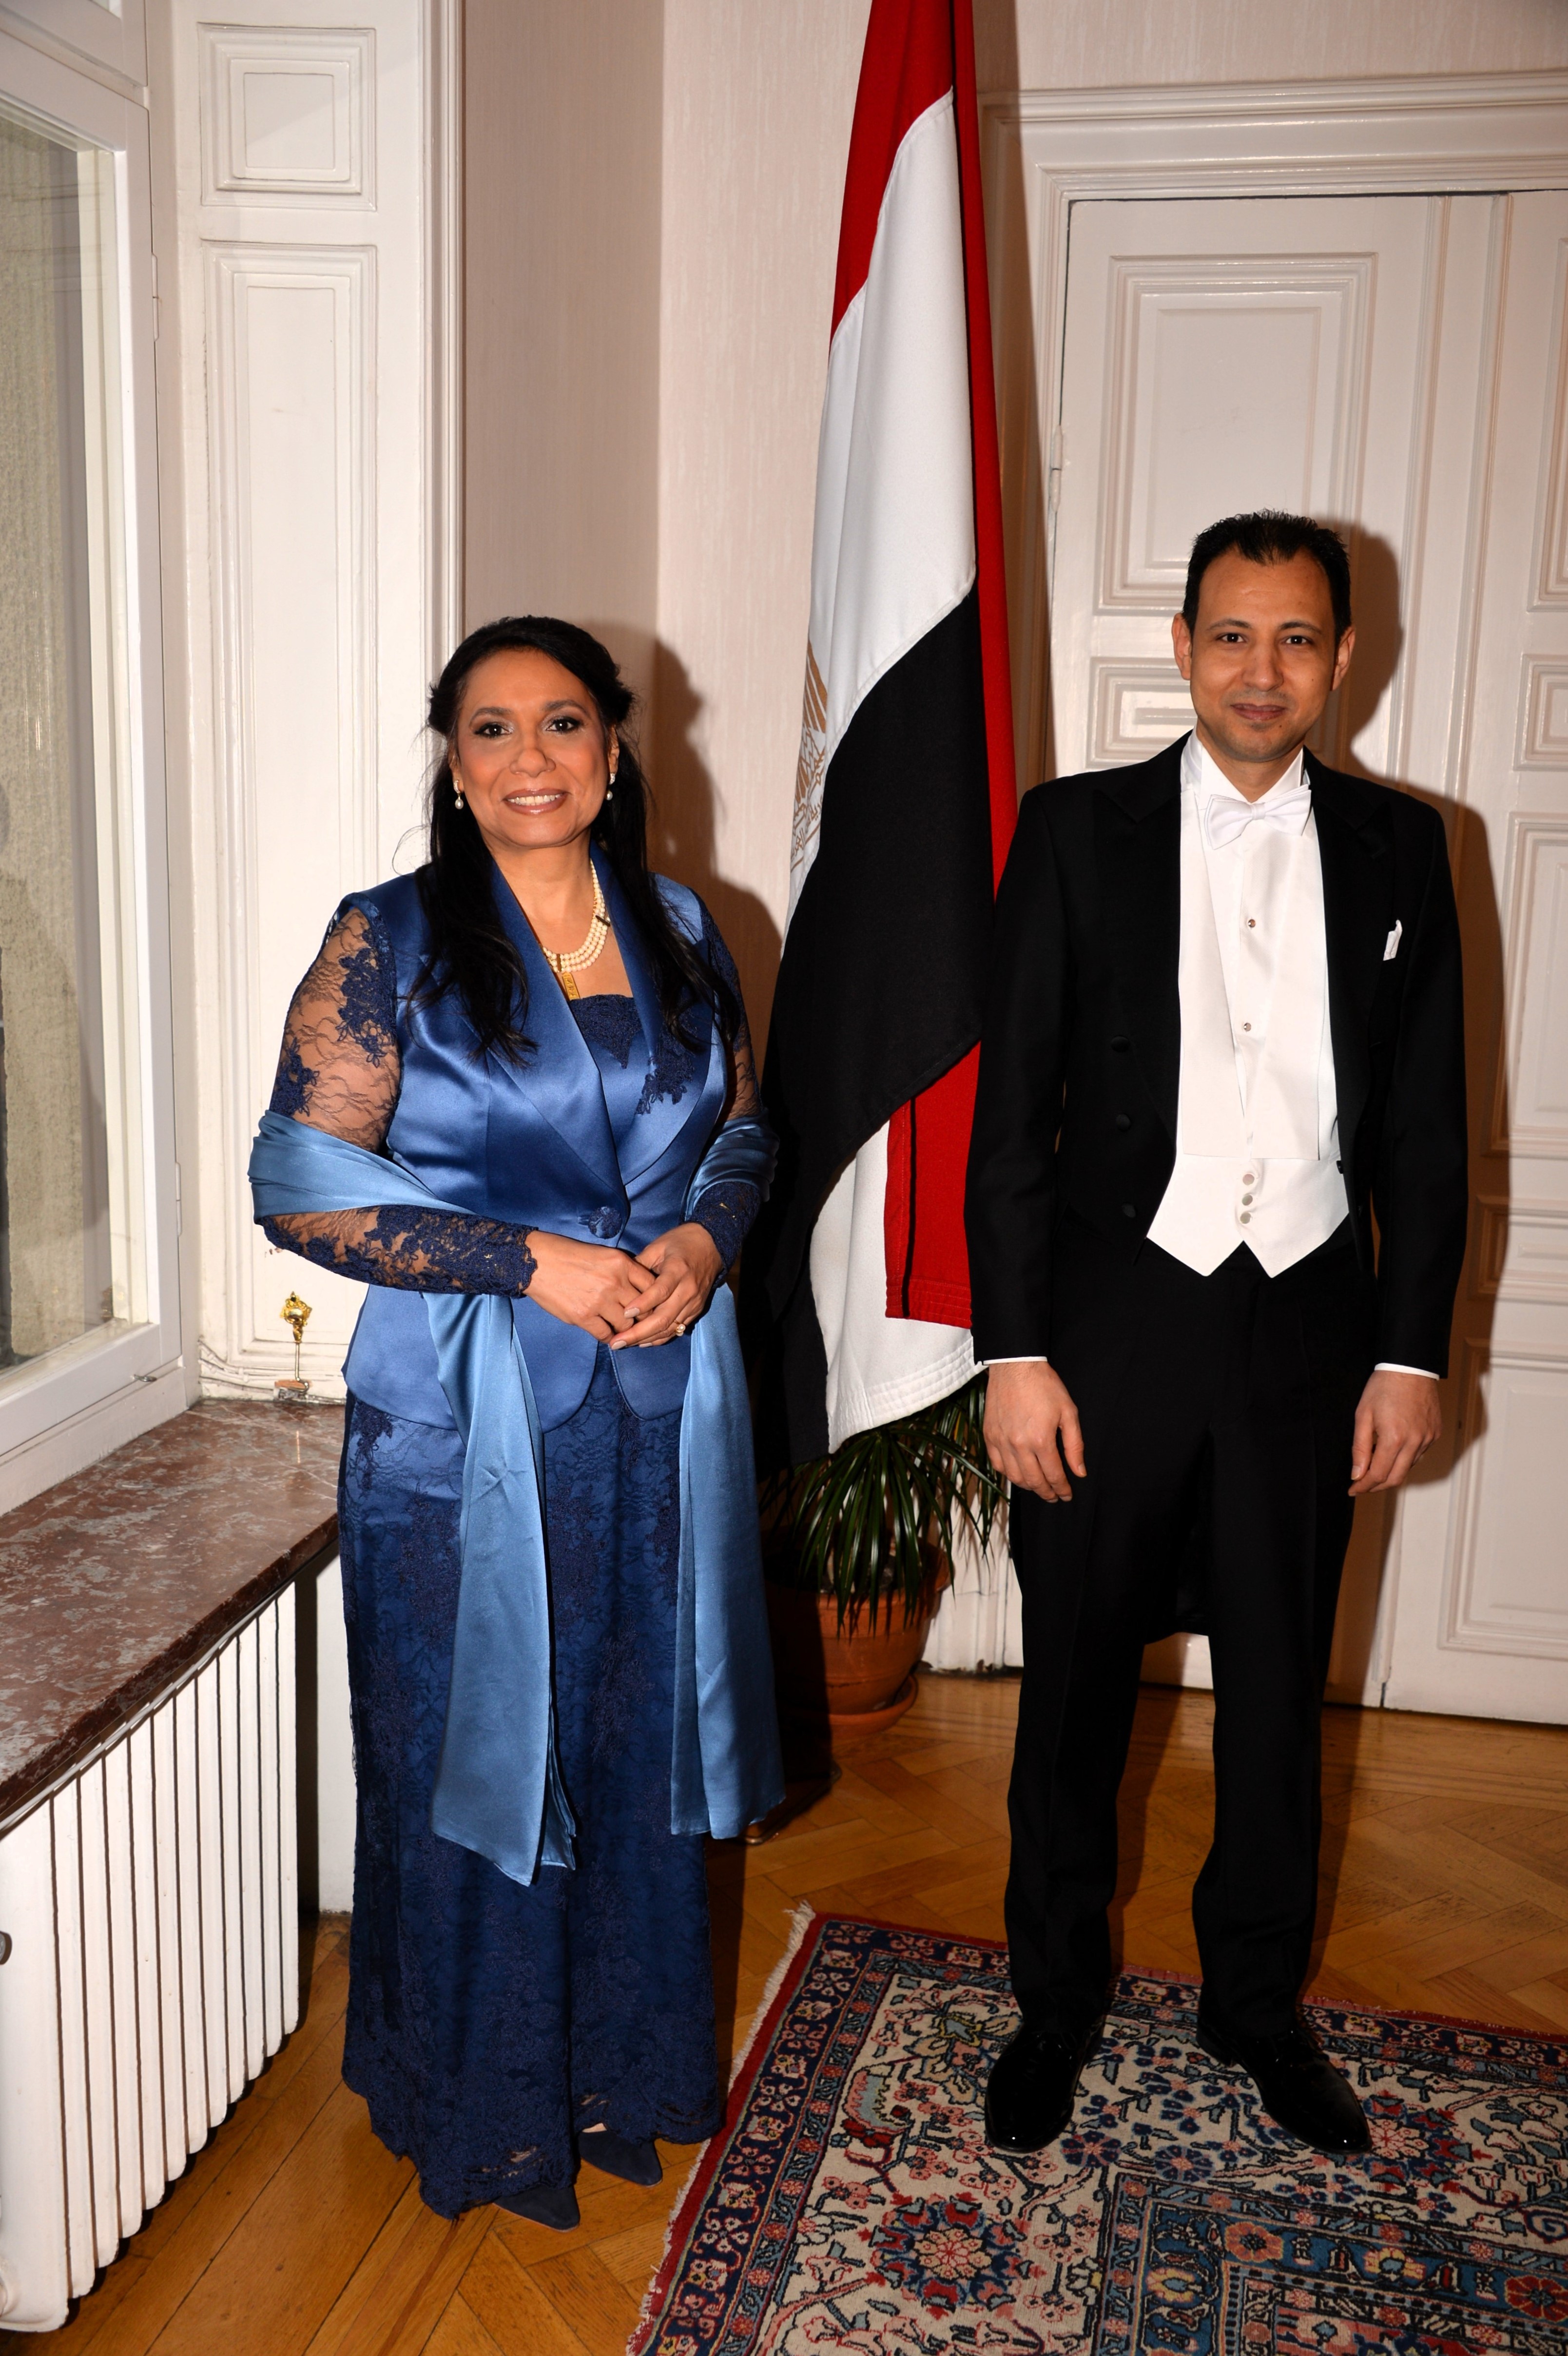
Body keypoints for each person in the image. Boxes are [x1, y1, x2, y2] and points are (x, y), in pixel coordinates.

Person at [250, 617, 783, 2228]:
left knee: (628, 1748)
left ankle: (621, 2072)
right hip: (454, 1431)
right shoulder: (392, 937)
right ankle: (478, 2107)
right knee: (472, 1760)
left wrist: (703, 1243)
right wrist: (527, 1259)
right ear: (455, 763)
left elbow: (742, 1128)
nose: (530, 757)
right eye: (492, 728)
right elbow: (297, 1178)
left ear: (613, 754)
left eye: (562, 724)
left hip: (655, 1411)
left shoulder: (681, 922)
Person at [966, 512, 1468, 2157]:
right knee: (1070, 1686)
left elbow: (1424, 1134)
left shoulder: (1405, 849)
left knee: (1273, 1690)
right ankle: (1053, 2000)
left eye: (1297, 638)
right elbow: (1009, 1120)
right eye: (1232, 635)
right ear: (1181, 647)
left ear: (1343, 657)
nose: (1263, 670)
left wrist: (1408, 1353)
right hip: (1105, 1329)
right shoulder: (1072, 830)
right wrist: (1010, 1351)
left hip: (1308, 1335)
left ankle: (1253, 2004)